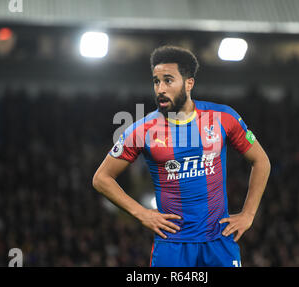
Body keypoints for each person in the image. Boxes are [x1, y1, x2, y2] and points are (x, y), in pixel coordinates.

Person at [93, 45, 270, 267]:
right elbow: (101, 178)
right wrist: (142, 214)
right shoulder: (143, 129)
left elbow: (261, 161)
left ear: (189, 83)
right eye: (156, 81)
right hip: (172, 245)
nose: (160, 89)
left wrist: (248, 214)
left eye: (168, 80)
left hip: (218, 241)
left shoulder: (223, 118)